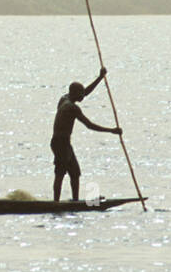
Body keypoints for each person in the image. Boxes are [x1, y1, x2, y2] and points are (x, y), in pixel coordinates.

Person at [51, 66, 121, 201]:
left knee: (75, 173)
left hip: (63, 143)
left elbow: (85, 92)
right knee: (60, 173)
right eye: (81, 94)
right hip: (61, 143)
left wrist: (100, 78)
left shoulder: (64, 98)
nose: (83, 96)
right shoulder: (72, 108)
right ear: (75, 94)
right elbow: (89, 125)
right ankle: (56, 203)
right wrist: (112, 130)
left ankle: (75, 201)